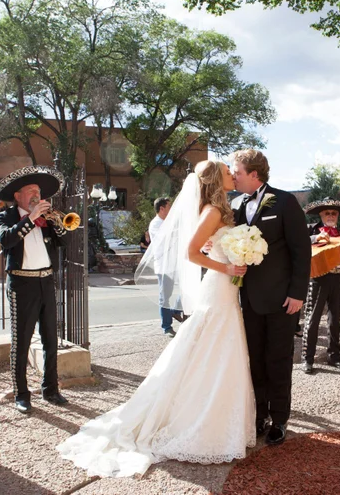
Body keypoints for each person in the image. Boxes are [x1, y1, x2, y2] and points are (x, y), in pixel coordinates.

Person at [57, 160, 254, 477]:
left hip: (224, 292)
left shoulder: (217, 209)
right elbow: (192, 253)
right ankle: (201, 423)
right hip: (217, 289)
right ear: (218, 179)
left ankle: (220, 420)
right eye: (228, 171)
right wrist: (228, 268)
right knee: (214, 349)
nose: (233, 174)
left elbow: (207, 246)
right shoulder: (213, 212)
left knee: (217, 351)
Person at [230, 149, 311, 446]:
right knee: (255, 361)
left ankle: (279, 419)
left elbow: (301, 251)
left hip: (282, 300)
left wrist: (297, 293)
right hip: (248, 299)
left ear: (254, 174)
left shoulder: (286, 202)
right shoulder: (237, 205)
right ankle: (259, 415)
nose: (233, 176)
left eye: (236, 171)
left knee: (278, 360)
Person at [0, 165, 69, 414]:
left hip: (46, 281)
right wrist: (30, 217)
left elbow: (64, 241)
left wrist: (57, 224)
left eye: (38, 190)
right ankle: (21, 394)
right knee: (21, 340)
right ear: (18, 196)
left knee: (50, 339)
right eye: (30, 190)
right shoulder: (5, 217)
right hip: (21, 283)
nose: (36, 194)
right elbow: (6, 241)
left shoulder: (47, 218)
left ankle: (51, 389)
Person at [301, 199, 340, 374]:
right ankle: (307, 359)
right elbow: (298, 243)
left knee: (335, 320)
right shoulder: (310, 230)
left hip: (338, 279)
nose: (330, 216)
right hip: (318, 278)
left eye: (334, 213)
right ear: (321, 215)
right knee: (312, 319)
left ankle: (334, 357)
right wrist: (315, 238)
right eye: (327, 213)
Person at [148, 197, 183, 335]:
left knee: (186, 289)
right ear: (162, 208)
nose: (171, 209)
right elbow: (166, 239)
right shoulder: (155, 224)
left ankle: (176, 310)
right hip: (164, 266)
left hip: (175, 263)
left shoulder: (170, 222)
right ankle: (167, 327)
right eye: (169, 206)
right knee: (165, 296)